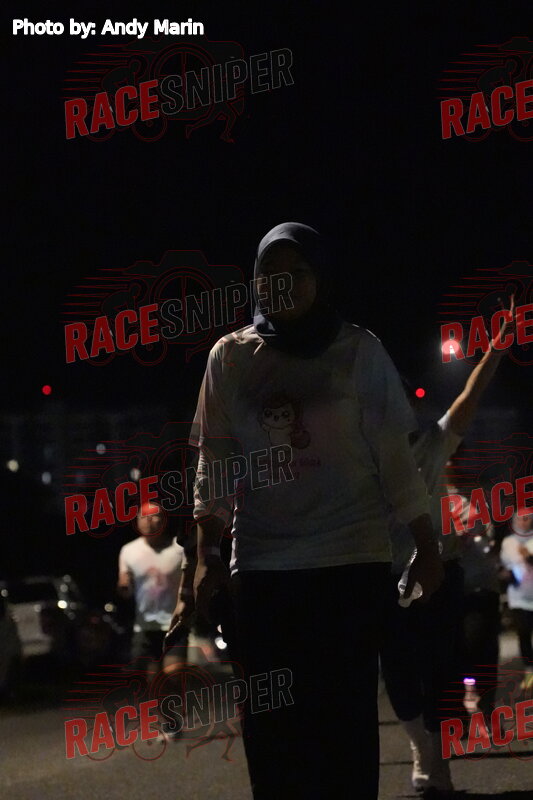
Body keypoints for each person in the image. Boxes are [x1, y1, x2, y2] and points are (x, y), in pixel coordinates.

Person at [185, 222, 443, 800]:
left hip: (349, 564)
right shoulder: (231, 357)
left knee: (343, 723)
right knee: (273, 731)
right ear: (254, 282)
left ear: (319, 278)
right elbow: (214, 462)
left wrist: (427, 545)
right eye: (269, 273)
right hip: (264, 570)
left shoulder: (358, 351)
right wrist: (205, 555)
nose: (283, 283)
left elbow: (396, 461)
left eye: (297, 271)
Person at [380, 296, 515, 798]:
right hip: (386, 576)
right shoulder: (361, 461)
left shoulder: (430, 446)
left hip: (441, 572)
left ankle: (439, 765)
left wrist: (496, 348)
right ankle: (423, 750)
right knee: (398, 672)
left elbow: (468, 398)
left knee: (442, 672)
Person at [117, 502, 187, 679]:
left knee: (174, 676)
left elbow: (188, 583)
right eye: (143, 516)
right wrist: (124, 586)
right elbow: (125, 588)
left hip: (174, 624)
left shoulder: (179, 549)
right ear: (137, 521)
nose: (148, 520)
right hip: (144, 626)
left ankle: (177, 697)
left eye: (154, 515)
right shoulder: (129, 550)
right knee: (152, 681)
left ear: (164, 520)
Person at [500, 509, 533, 690]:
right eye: (519, 519)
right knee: (523, 633)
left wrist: (529, 558)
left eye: (526, 519)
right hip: (518, 597)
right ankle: (530, 671)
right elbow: (504, 566)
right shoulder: (508, 543)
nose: (522, 522)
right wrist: (505, 575)